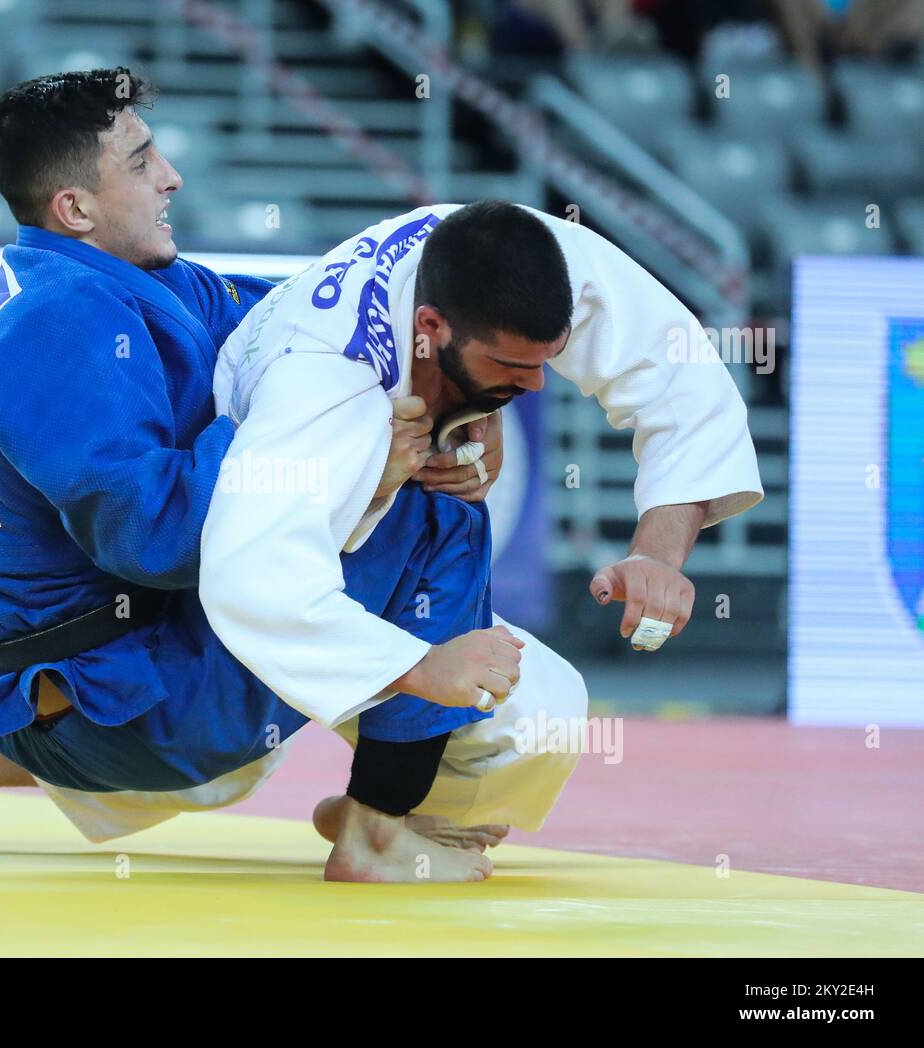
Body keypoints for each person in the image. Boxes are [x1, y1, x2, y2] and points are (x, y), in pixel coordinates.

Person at [0, 69, 510, 883]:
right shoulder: (59, 322)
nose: (172, 177)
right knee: (437, 517)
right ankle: (375, 831)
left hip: (88, 678)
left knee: (374, 447)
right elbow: (155, 539)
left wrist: (465, 397)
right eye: (141, 161)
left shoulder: (126, 281)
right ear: (75, 209)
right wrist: (343, 449)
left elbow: (317, 321)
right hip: (125, 706)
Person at [197, 200, 765, 879]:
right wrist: (418, 666)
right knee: (168, 766)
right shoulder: (324, 380)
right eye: (509, 366)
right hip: (213, 613)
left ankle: (394, 816)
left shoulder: (538, 255)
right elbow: (248, 574)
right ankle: (376, 831)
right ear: (431, 329)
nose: (533, 386)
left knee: (540, 716)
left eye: (545, 362)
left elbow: (684, 378)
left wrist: (656, 553)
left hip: (326, 550)